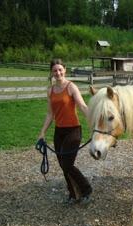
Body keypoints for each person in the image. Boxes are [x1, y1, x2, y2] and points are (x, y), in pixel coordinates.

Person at [38, 58, 92, 205]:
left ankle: (86, 189)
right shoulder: (50, 90)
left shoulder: (71, 87)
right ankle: (73, 194)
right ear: (51, 72)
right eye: (55, 70)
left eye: (60, 69)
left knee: (67, 164)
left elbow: (82, 106)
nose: (58, 72)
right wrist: (42, 132)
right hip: (59, 131)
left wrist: (94, 123)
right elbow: (50, 114)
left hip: (73, 130)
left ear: (65, 70)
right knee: (63, 165)